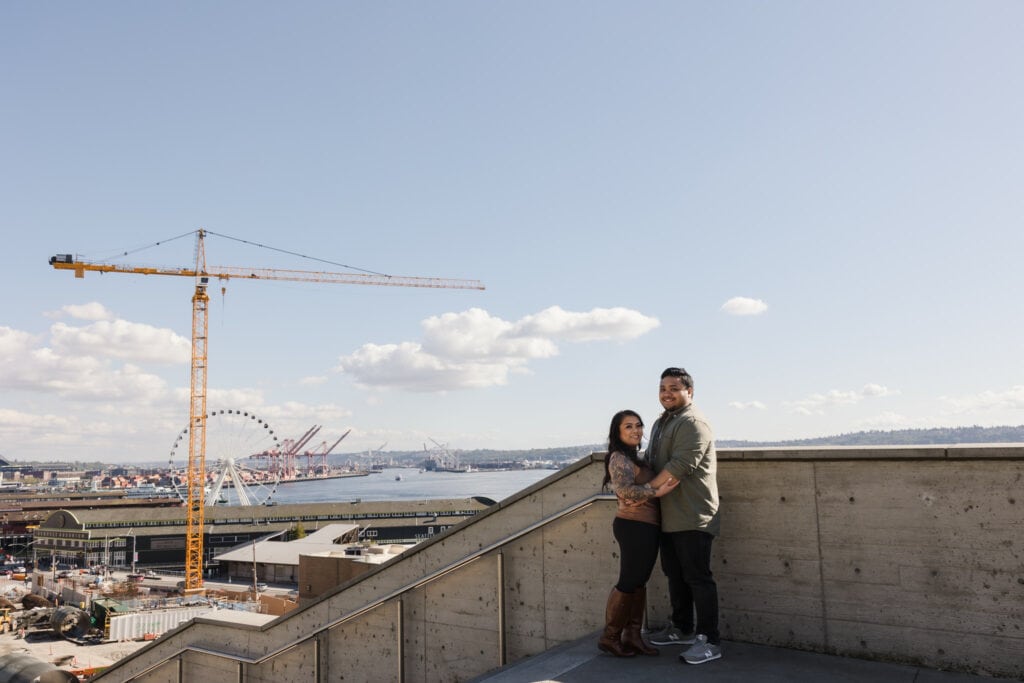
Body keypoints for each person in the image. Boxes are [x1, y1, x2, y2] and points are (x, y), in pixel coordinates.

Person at [646, 367, 722, 665]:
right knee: (675, 575)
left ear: (689, 392)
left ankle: (710, 641)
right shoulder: (662, 422)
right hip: (668, 515)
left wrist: (641, 491)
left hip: (693, 515)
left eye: (674, 388)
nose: (667, 392)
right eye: (663, 387)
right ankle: (682, 628)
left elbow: (678, 467)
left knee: (698, 578)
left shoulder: (693, 423)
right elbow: (653, 462)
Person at [598, 409, 678, 657]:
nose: (636, 431)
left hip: (646, 526)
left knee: (638, 582)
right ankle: (610, 637)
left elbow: (633, 491)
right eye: (628, 427)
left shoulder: (636, 458)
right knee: (628, 582)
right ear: (618, 432)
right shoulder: (618, 458)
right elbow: (626, 493)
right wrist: (657, 492)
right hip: (633, 527)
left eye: (638, 425)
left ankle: (633, 636)